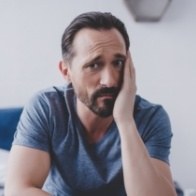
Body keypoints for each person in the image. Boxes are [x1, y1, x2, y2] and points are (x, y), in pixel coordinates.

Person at [5, 11, 177, 196]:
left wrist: (125, 121)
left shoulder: (151, 117)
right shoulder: (47, 107)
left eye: (118, 63)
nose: (109, 80)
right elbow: (18, 190)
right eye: (94, 65)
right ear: (66, 71)